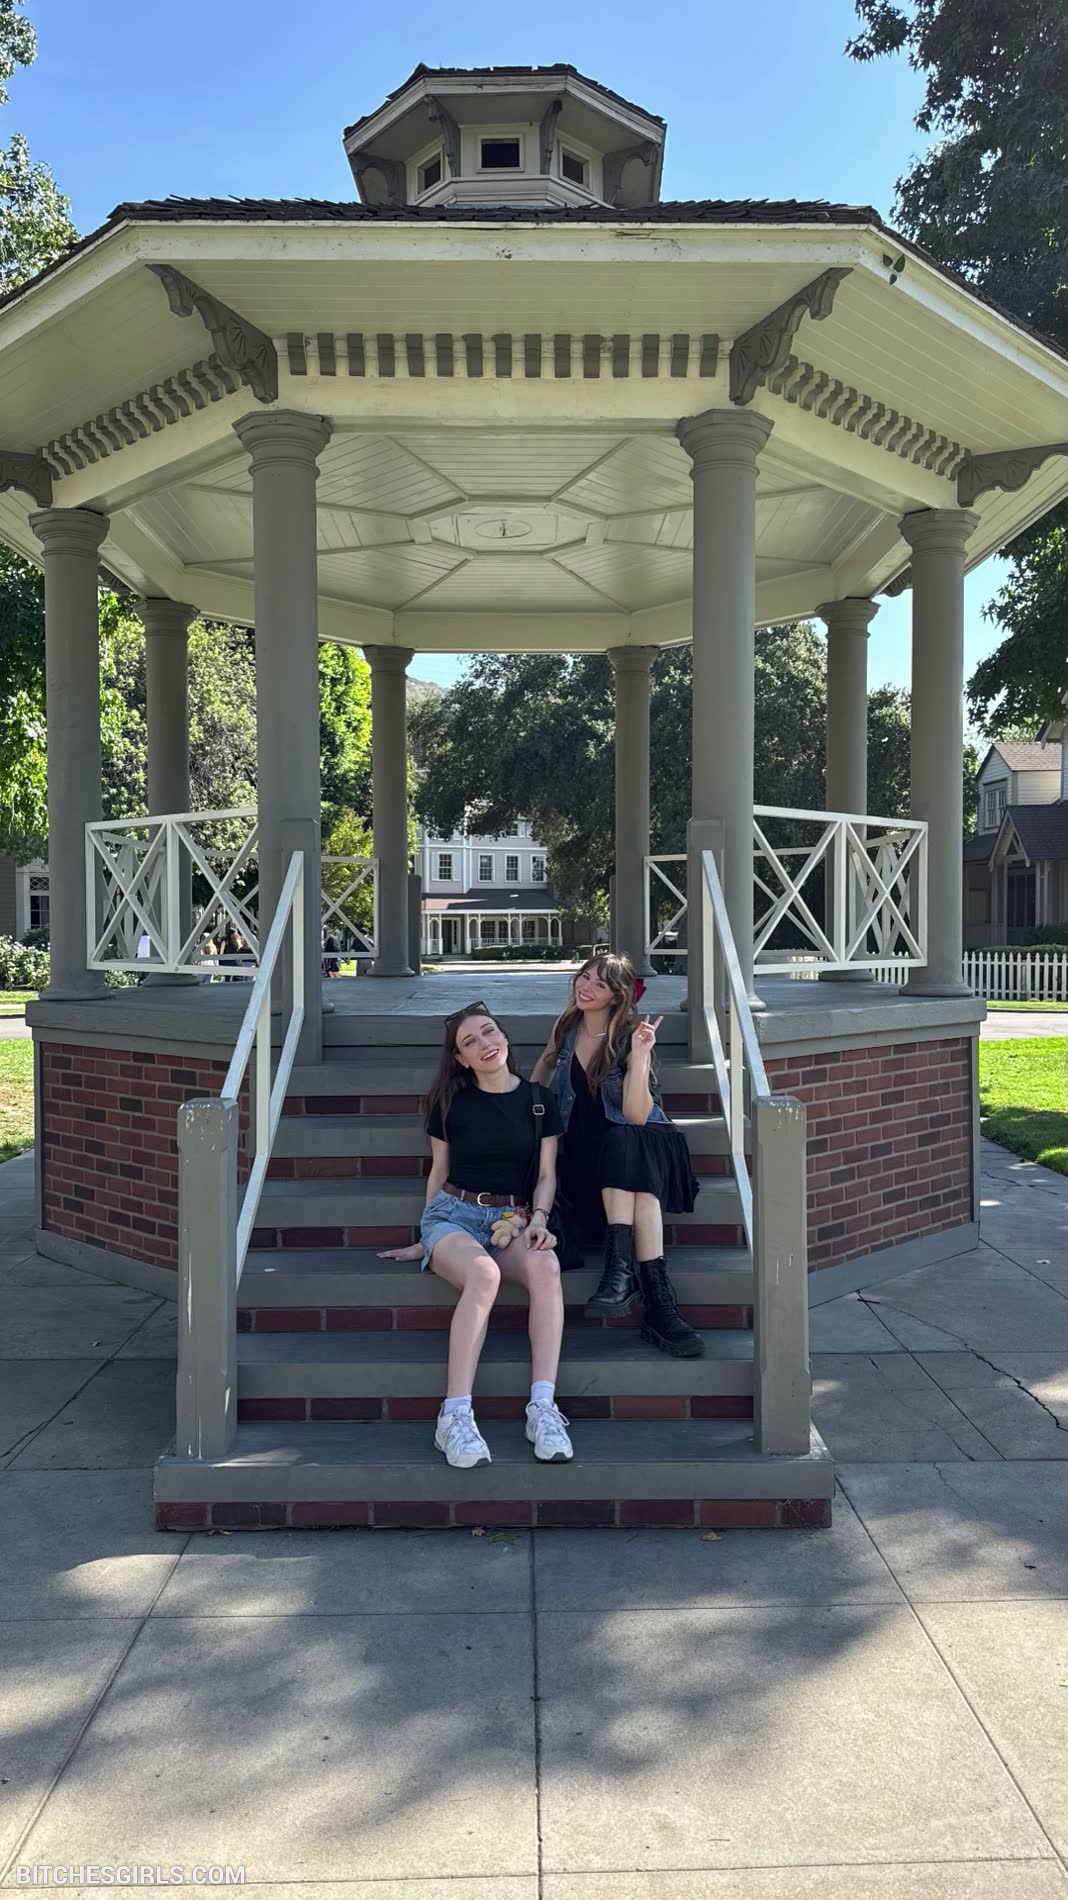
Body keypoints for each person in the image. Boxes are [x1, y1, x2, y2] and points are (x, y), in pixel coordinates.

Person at [379, 1002, 574, 1471]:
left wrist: (540, 1219)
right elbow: (439, 1172)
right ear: (461, 1059)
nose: (485, 1044)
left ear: (504, 1036)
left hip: (513, 1218)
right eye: (470, 1041)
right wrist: (426, 1236)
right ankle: (455, 1415)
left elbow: (546, 1176)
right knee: (484, 1274)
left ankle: (543, 1409)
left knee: (546, 1265)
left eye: (489, 1032)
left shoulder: (538, 1100)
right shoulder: (450, 1104)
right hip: (453, 1216)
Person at [532, 953, 704, 1359]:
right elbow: (538, 1081)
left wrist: (640, 1056)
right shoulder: (566, 1028)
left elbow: (635, 1116)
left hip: (638, 1148)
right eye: (584, 976)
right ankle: (660, 1307)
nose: (585, 987)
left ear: (617, 996)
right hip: (589, 1165)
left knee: (625, 1139)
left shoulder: (629, 1037)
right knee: (635, 1180)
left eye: (600, 984)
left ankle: (622, 1275)